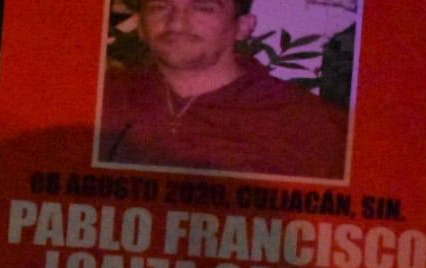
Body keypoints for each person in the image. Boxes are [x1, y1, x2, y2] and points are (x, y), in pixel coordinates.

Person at [97, 0, 349, 179]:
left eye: (203, 7)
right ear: (141, 27)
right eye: (160, 6)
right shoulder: (103, 97)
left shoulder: (311, 125)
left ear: (243, 27)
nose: (176, 22)